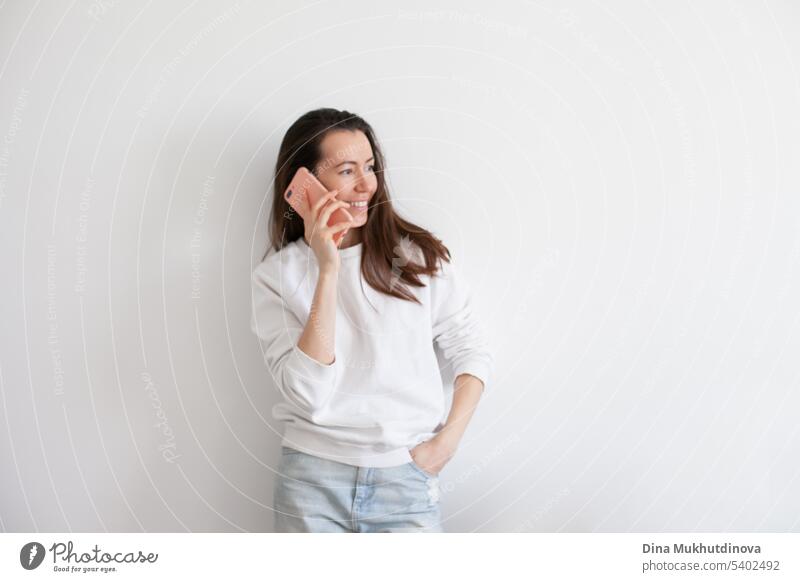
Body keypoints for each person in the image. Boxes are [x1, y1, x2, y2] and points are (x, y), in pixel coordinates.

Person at [250, 108, 494, 532]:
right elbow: (307, 394)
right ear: (303, 183)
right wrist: (328, 269)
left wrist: (445, 445)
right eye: (346, 171)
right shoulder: (277, 277)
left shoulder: (418, 258)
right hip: (311, 484)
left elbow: (471, 350)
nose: (366, 185)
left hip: (406, 478)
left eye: (370, 167)